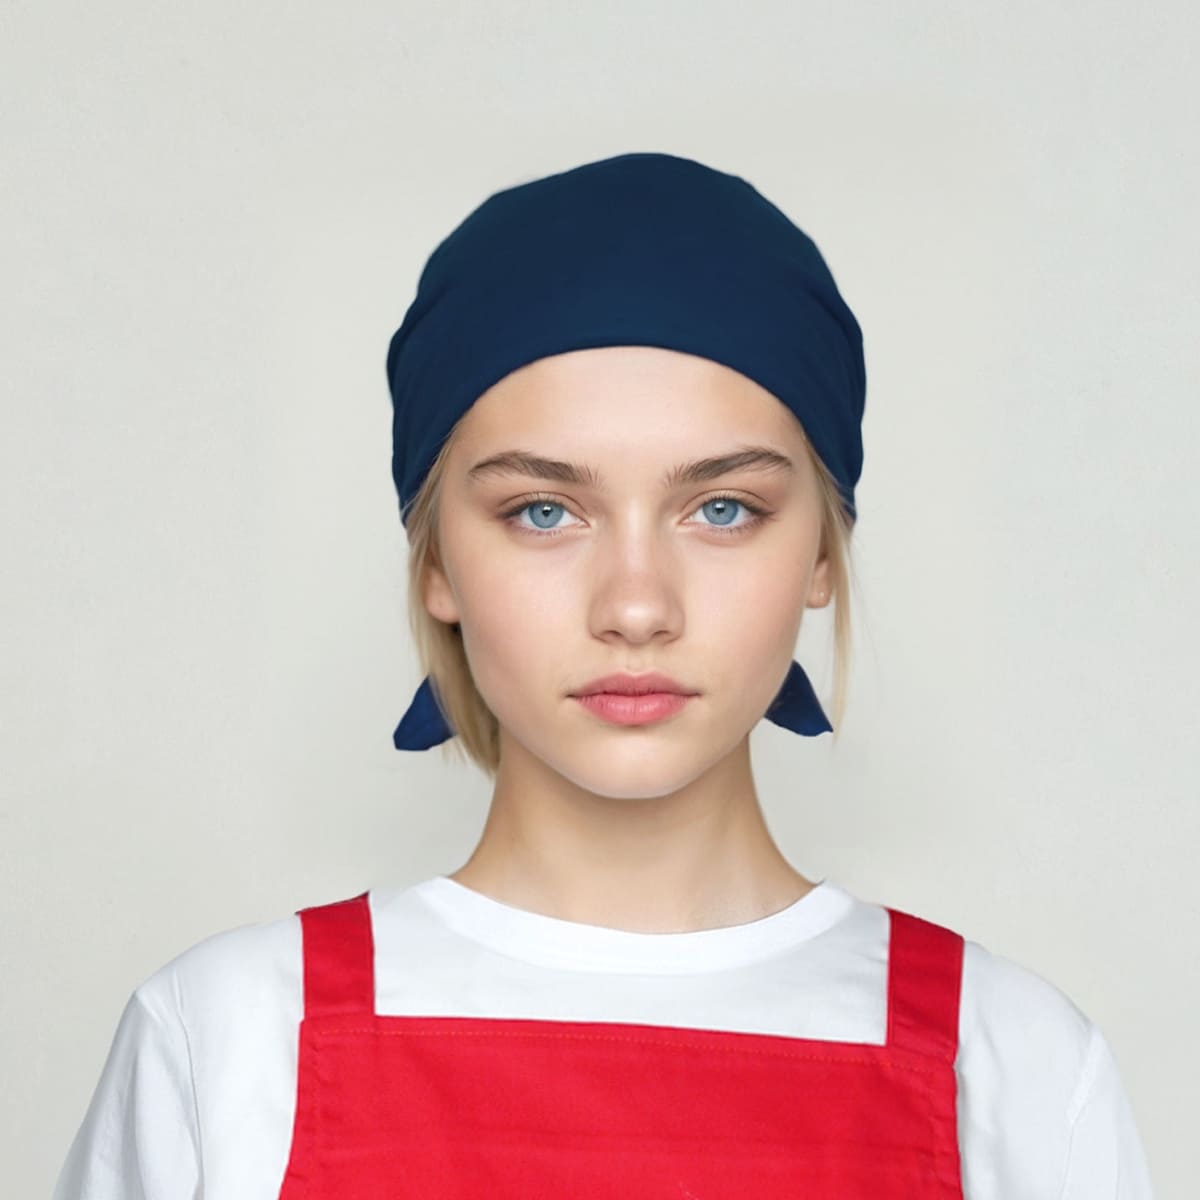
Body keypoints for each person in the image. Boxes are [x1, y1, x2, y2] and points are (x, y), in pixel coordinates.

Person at [53, 151, 1155, 1198]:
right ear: (436, 562)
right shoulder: (227, 1040)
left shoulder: (1010, 1065)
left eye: (724, 509)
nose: (635, 606)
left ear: (822, 552)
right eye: (544, 511)